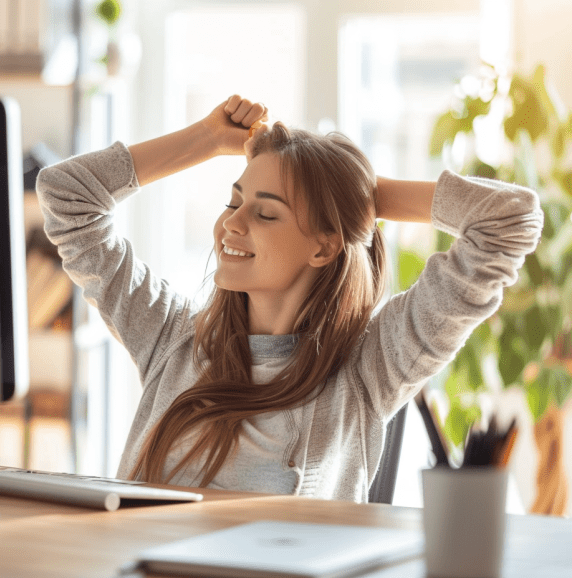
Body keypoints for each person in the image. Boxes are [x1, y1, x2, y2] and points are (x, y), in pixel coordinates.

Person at [36, 96, 543, 501]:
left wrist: (365, 195)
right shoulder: (171, 338)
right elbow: (66, 196)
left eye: (266, 213)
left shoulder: (371, 368)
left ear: (324, 245)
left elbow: (510, 221)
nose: (230, 224)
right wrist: (207, 139)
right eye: (234, 202)